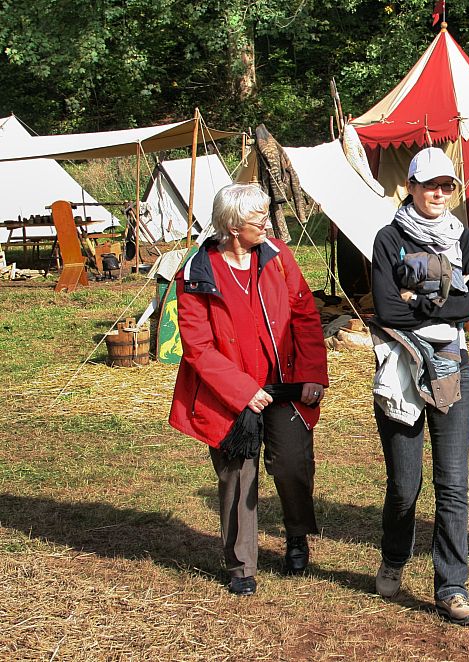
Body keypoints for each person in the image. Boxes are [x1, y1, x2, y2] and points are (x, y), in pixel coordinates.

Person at [169, 183, 328, 596]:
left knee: (293, 463)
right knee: (237, 476)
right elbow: (197, 347)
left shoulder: (277, 257)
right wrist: (242, 391)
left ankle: (296, 535)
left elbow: (305, 315)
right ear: (233, 225)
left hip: (285, 383)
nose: (266, 221)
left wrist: (312, 372)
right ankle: (241, 565)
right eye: (257, 216)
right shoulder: (196, 272)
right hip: (228, 393)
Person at [369, 147, 469, 626]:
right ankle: (395, 557)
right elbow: (385, 309)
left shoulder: (465, 238)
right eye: (429, 185)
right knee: (404, 485)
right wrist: (444, 300)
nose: (439, 194)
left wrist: (421, 302)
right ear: (410, 188)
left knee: (453, 483)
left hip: (452, 366)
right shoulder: (389, 238)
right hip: (401, 366)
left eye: (447, 186)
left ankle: (452, 587)